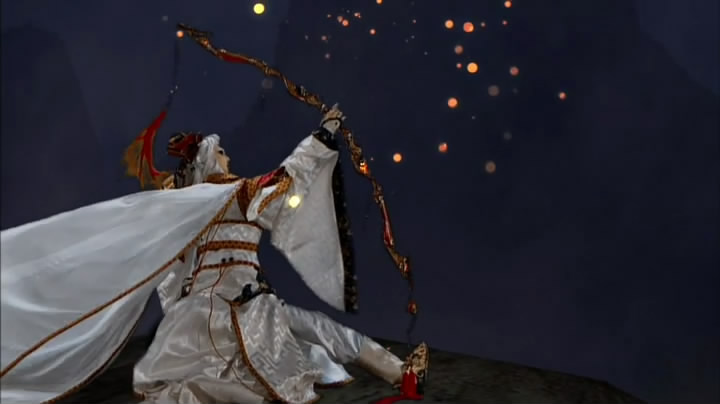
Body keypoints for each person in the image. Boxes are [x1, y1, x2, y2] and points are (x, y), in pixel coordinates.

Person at [0, 104, 427, 404]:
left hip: (212, 311)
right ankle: (401, 373)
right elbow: (286, 177)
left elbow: (173, 272)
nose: (228, 156)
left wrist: (180, 303)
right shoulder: (233, 193)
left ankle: (402, 373)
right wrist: (322, 136)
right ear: (208, 161)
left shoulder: (194, 209)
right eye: (221, 152)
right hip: (235, 308)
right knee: (319, 329)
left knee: (314, 330)